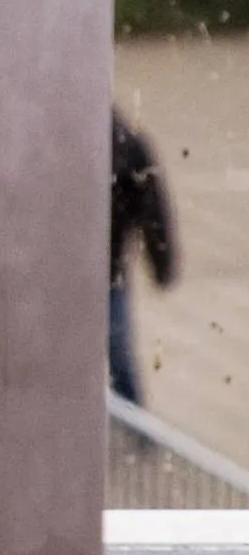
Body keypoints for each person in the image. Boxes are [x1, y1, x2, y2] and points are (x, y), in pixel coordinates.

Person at [114, 107, 180, 407]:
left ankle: (135, 430)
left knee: (119, 354)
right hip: (105, 273)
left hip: (107, 274)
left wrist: (162, 263)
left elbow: (152, 207)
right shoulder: (124, 137)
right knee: (118, 353)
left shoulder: (123, 140)